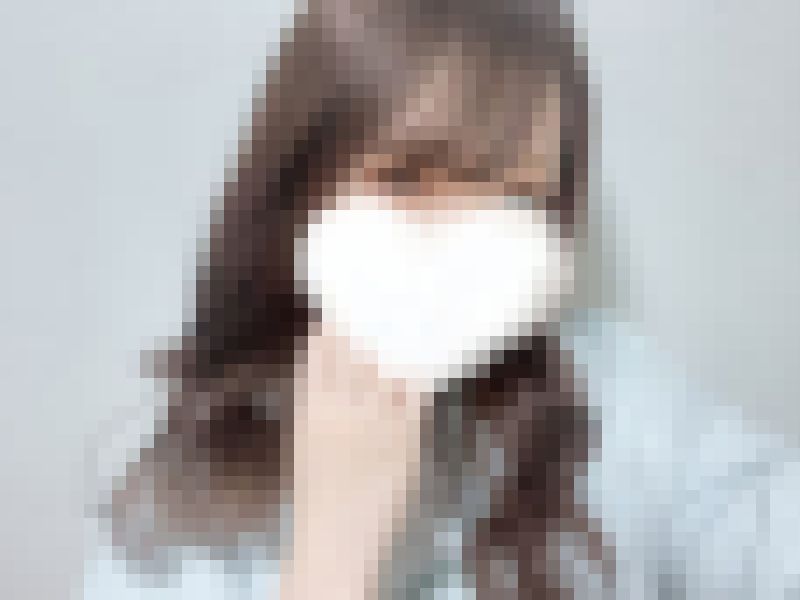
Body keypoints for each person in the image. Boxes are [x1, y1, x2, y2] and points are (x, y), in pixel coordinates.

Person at [86, 1, 800, 599]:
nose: (467, 246)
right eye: (406, 180)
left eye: (518, 198)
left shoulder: (613, 389)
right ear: (298, 189)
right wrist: (333, 552)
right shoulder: (177, 499)